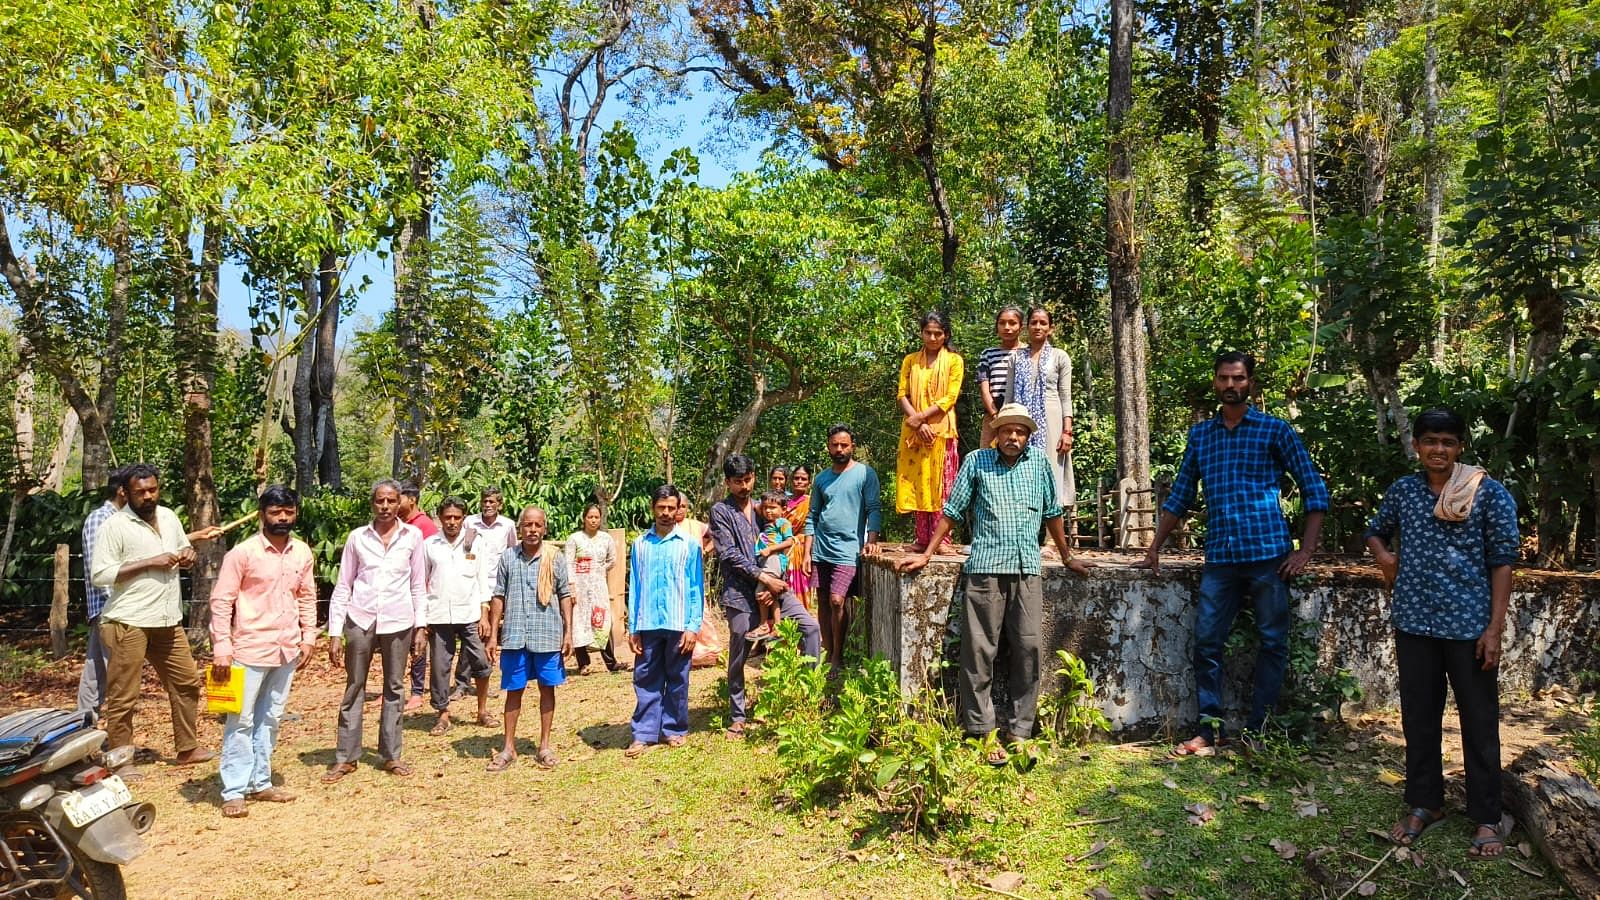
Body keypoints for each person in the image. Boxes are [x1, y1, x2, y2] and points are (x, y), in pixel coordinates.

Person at [1135, 351, 1330, 756]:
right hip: (1220, 558)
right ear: (1215, 382)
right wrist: (1154, 546)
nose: (1230, 385)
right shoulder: (1202, 435)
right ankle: (1209, 731)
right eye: (1224, 378)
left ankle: (1259, 730)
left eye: (1238, 379)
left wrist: (1306, 550)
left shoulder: (1275, 431)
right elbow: (1182, 495)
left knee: (1273, 642)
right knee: (1207, 642)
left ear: (1250, 383)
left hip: (1268, 556)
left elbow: (1314, 489)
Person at [899, 405, 1091, 764]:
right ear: (996, 433)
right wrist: (926, 554)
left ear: (1028, 436)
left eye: (1019, 432)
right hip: (986, 568)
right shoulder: (977, 462)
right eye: (1006, 431)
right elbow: (953, 511)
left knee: (1029, 649)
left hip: (1026, 569)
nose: (1013, 438)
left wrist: (1067, 556)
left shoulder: (1039, 465)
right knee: (978, 651)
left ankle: (1020, 731)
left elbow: (1052, 513)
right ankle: (983, 733)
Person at [1366, 407, 1519, 859]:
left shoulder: (1488, 494)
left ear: (1461, 447)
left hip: (1469, 627)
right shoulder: (1404, 492)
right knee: (1418, 716)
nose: (1438, 450)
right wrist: (1385, 557)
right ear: (1416, 445)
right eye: (1430, 441)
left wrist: (1494, 629)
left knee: (1478, 721)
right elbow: (1374, 531)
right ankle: (1424, 803)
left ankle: (1487, 816)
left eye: (1448, 442)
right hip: (1414, 622)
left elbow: (1503, 562)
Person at [89, 463, 218, 774]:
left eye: (152, 490)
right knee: (124, 695)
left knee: (186, 682)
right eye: (140, 492)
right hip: (127, 621)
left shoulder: (170, 517)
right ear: (125, 493)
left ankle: (187, 748)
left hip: (167, 619)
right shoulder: (114, 526)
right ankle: (121, 760)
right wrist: (150, 562)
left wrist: (188, 556)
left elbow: (184, 553)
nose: (148, 496)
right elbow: (100, 575)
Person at [209, 485, 317, 817]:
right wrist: (222, 647)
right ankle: (234, 791)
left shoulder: (301, 553)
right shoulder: (242, 554)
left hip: (286, 648)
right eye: (275, 512)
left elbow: (307, 596)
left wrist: (309, 636)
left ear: (295, 513)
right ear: (262, 515)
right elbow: (221, 600)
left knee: (270, 717)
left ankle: (261, 782)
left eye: (288, 512)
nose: (282, 518)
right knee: (240, 720)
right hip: (247, 648)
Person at [322, 479, 427, 783]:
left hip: (399, 620)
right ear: (373, 504)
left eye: (391, 501)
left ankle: (391, 755)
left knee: (394, 687)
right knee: (355, 686)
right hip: (361, 618)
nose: (385, 507)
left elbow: (418, 584)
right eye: (379, 501)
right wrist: (334, 632)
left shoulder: (413, 537)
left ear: (400, 504)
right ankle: (346, 756)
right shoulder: (358, 538)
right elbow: (343, 585)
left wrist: (421, 626)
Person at [711, 454, 822, 737]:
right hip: (740, 592)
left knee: (810, 628)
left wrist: (775, 580)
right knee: (739, 653)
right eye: (738, 482)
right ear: (728, 482)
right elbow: (728, 554)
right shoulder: (721, 512)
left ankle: (808, 699)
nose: (744, 486)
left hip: (776, 586)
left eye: (748, 480)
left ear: (754, 477)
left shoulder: (766, 509)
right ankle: (738, 715)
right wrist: (763, 578)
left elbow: (787, 542)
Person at [485, 506, 573, 771]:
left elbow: (565, 594)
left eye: (538, 525)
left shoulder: (554, 557)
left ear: (544, 529)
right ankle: (508, 747)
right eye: (527, 525)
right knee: (514, 691)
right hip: (514, 636)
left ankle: (544, 745)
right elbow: (498, 596)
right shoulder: (508, 558)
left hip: (548, 635)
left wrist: (568, 632)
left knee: (547, 689)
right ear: (520, 528)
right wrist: (492, 635)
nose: (532, 530)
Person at [625, 486, 705, 758]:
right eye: (662, 508)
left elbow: (696, 588)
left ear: (679, 509)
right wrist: (633, 628)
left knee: (677, 678)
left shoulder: (689, 545)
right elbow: (634, 586)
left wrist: (693, 626)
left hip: (678, 622)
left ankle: (674, 729)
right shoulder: (640, 545)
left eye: (672, 508)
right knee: (646, 677)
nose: (667, 513)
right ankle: (644, 733)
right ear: (653, 508)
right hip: (647, 622)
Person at [799, 425, 882, 679]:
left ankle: (838, 655)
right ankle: (827, 649)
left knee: (838, 600)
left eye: (844, 445)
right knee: (823, 600)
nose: (839, 449)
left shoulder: (865, 474)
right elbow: (812, 515)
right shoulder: (822, 478)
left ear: (852, 446)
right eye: (835, 445)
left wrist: (872, 540)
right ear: (828, 447)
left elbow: (874, 509)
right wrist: (806, 553)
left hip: (849, 550)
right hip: (821, 549)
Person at [422, 497, 497, 736]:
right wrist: (422, 621)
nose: (452, 522)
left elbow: (482, 579)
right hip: (439, 614)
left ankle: (482, 710)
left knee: (482, 663)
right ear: (440, 518)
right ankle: (442, 715)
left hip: (470, 614)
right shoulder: (430, 545)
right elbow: (421, 582)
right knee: (440, 667)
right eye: (448, 517)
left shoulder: (475, 543)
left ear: (463, 518)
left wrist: (484, 614)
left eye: (457, 517)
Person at [896, 310, 964, 551]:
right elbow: (902, 394)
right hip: (914, 431)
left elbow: (950, 397)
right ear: (921, 333)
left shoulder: (954, 361)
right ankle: (923, 539)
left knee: (942, 485)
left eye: (938, 333)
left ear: (945, 335)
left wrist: (922, 418)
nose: (933, 338)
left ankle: (942, 540)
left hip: (941, 431)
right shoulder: (910, 361)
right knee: (918, 484)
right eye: (928, 333)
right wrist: (918, 422)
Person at [1004, 307, 1075, 508]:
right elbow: (1008, 397)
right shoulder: (1016, 357)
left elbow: (1065, 396)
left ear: (1050, 329)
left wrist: (1067, 431)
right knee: (1019, 472)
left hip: (1051, 421)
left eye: (1043, 323)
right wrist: (1003, 427)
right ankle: (1027, 531)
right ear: (1026, 327)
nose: (1038, 326)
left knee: (1051, 470)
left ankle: (1053, 535)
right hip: (1020, 422)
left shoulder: (1060, 357)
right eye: (1033, 322)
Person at [453, 487, 518, 699]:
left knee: (491, 635)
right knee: (471, 633)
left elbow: (512, 553)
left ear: (499, 504)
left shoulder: (507, 525)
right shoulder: (470, 523)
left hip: (497, 587)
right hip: (473, 586)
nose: (488, 505)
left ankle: (485, 681)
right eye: (485, 501)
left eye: (492, 501)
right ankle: (462, 683)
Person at [78, 466, 131, 716]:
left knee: (95, 671)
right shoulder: (101, 518)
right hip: (110, 608)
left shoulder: (123, 520)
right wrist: (116, 606)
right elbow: (98, 569)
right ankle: (117, 736)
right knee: (118, 675)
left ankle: (82, 729)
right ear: (122, 491)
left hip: (113, 608)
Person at [566, 503, 626, 675]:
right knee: (579, 621)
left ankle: (611, 662)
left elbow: (612, 560)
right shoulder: (575, 539)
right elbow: (568, 563)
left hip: (599, 586)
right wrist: (572, 586)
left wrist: (598, 569)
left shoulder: (605, 539)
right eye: (590, 517)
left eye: (596, 517)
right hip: (579, 586)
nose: (593, 520)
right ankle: (583, 663)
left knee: (602, 620)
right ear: (584, 518)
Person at [399, 481, 438, 712]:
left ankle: (417, 691)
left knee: (419, 643)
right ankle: (394, 689)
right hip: (401, 594)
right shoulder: (399, 525)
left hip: (419, 594)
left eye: (399, 497)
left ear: (411, 500)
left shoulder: (424, 526)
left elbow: (428, 565)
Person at [747, 492, 796, 642]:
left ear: (783, 509)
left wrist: (771, 549)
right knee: (771, 595)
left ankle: (763, 625)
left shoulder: (782, 522)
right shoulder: (766, 522)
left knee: (760, 592)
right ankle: (777, 626)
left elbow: (789, 541)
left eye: (773, 508)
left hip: (774, 560)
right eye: (765, 508)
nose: (768, 511)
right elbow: (754, 505)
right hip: (767, 561)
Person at [977, 306, 1023, 451]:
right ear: (996, 327)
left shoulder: (1028, 353)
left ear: (1021, 327)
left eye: (1012, 323)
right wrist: (996, 416)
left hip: (1021, 416)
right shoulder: (988, 354)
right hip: (993, 414)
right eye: (1002, 323)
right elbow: (984, 389)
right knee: (988, 457)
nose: (1007, 327)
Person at [784, 465, 816, 611]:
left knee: (800, 584)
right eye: (796, 478)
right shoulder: (783, 501)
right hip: (782, 549)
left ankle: (801, 619)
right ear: (791, 480)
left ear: (809, 483)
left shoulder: (811, 502)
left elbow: (814, 528)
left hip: (802, 551)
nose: (799, 481)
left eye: (803, 479)